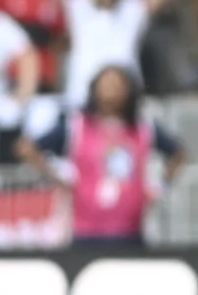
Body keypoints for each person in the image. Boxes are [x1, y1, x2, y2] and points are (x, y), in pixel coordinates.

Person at [16, 65, 185, 247]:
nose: (111, 90)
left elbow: (178, 154)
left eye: (117, 85)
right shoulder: (77, 126)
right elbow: (27, 148)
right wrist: (57, 177)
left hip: (130, 232)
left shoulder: (143, 128)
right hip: (86, 230)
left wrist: (160, 188)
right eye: (106, 84)